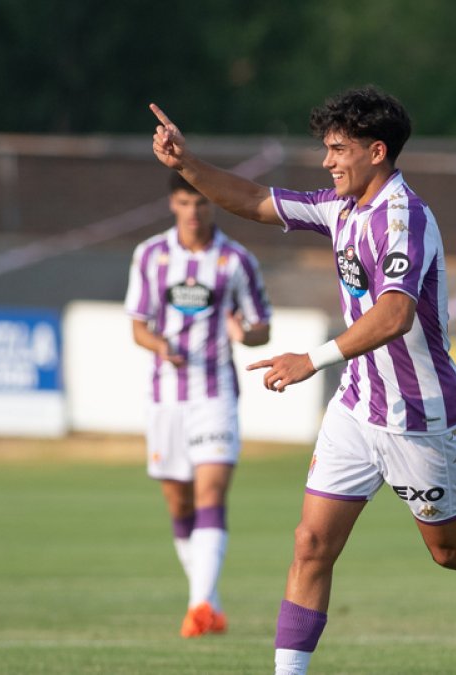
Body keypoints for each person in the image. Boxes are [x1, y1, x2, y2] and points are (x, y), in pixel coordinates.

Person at [150, 86, 456, 675]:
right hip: (356, 407)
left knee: (450, 550)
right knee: (311, 544)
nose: (327, 161)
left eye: (337, 149)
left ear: (376, 151)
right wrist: (186, 163)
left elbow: (396, 315)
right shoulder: (338, 208)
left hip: (419, 415)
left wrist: (311, 360)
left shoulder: (404, 217)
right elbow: (252, 199)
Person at [124, 172, 273, 638]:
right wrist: (160, 345)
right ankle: (209, 601)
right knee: (179, 502)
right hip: (166, 397)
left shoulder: (236, 261)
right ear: (173, 204)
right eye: (185, 202)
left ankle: (199, 605)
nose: (194, 211)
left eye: (201, 203)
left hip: (215, 394)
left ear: (212, 206)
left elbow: (262, 327)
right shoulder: (150, 255)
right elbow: (138, 325)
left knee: (211, 494)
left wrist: (243, 334)